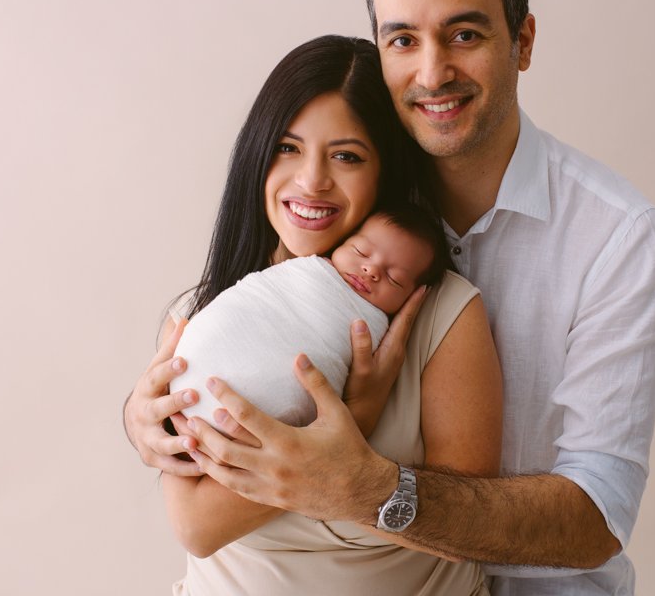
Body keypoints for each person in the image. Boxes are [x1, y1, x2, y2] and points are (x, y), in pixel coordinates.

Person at [166, 0, 655, 596]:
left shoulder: (616, 238)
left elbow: (595, 517)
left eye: (465, 33)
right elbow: (199, 503)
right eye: (403, 40)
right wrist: (149, 420)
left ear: (522, 41)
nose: (433, 72)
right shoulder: (336, 231)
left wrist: (363, 481)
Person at [129, 33, 502, 595]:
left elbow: (477, 530)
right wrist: (353, 419)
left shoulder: (442, 314)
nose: (311, 180)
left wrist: (353, 464)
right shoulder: (207, 316)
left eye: (347, 156)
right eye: (287, 147)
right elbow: (197, 527)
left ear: (387, 171)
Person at [169, 206, 450, 431]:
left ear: (413, 297)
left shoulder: (387, 327)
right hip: (188, 384)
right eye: (360, 251)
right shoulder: (306, 270)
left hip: (266, 422)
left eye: (394, 278)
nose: (370, 269)